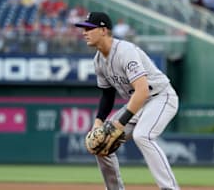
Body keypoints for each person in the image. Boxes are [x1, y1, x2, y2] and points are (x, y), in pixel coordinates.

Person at [74, 12, 180, 190]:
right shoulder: (98, 61)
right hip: (138, 104)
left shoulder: (125, 52)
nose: (84, 32)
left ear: (103, 30)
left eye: (89, 28)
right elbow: (107, 96)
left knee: (142, 135)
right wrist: (97, 123)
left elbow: (142, 90)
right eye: (83, 29)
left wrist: (120, 124)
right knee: (101, 143)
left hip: (161, 97)